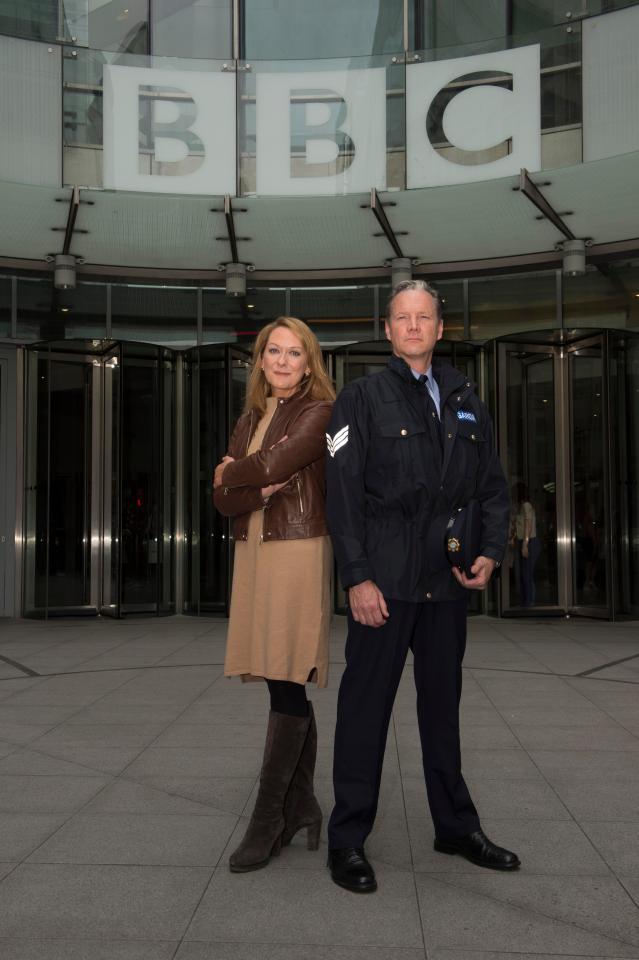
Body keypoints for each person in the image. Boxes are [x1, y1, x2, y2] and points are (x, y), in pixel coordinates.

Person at [324, 279, 520, 893]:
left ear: (440, 328)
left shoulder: (466, 398)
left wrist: (490, 550)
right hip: (383, 584)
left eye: (424, 317)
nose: (413, 326)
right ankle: (348, 840)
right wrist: (357, 577)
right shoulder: (360, 399)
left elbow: (492, 487)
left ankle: (455, 826)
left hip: (446, 583)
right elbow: (343, 496)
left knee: (442, 712)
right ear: (388, 330)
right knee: (365, 712)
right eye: (402, 318)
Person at [213, 316, 334, 873]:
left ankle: (268, 819)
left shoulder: (318, 411)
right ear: (260, 360)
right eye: (273, 352)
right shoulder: (250, 417)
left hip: (296, 549)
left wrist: (235, 474)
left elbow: (280, 463)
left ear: (309, 362)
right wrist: (245, 484)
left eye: (294, 353)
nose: (283, 362)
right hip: (256, 549)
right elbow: (222, 502)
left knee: (287, 675)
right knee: (280, 680)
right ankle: (302, 804)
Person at [511, 482, 540, 607]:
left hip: (530, 542)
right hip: (524, 541)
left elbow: (528, 525)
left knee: (527, 574)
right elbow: (520, 526)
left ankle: (529, 603)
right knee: (524, 574)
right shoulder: (521, 506)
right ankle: (525, 602)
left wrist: (525, 544)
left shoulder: (526, 505)